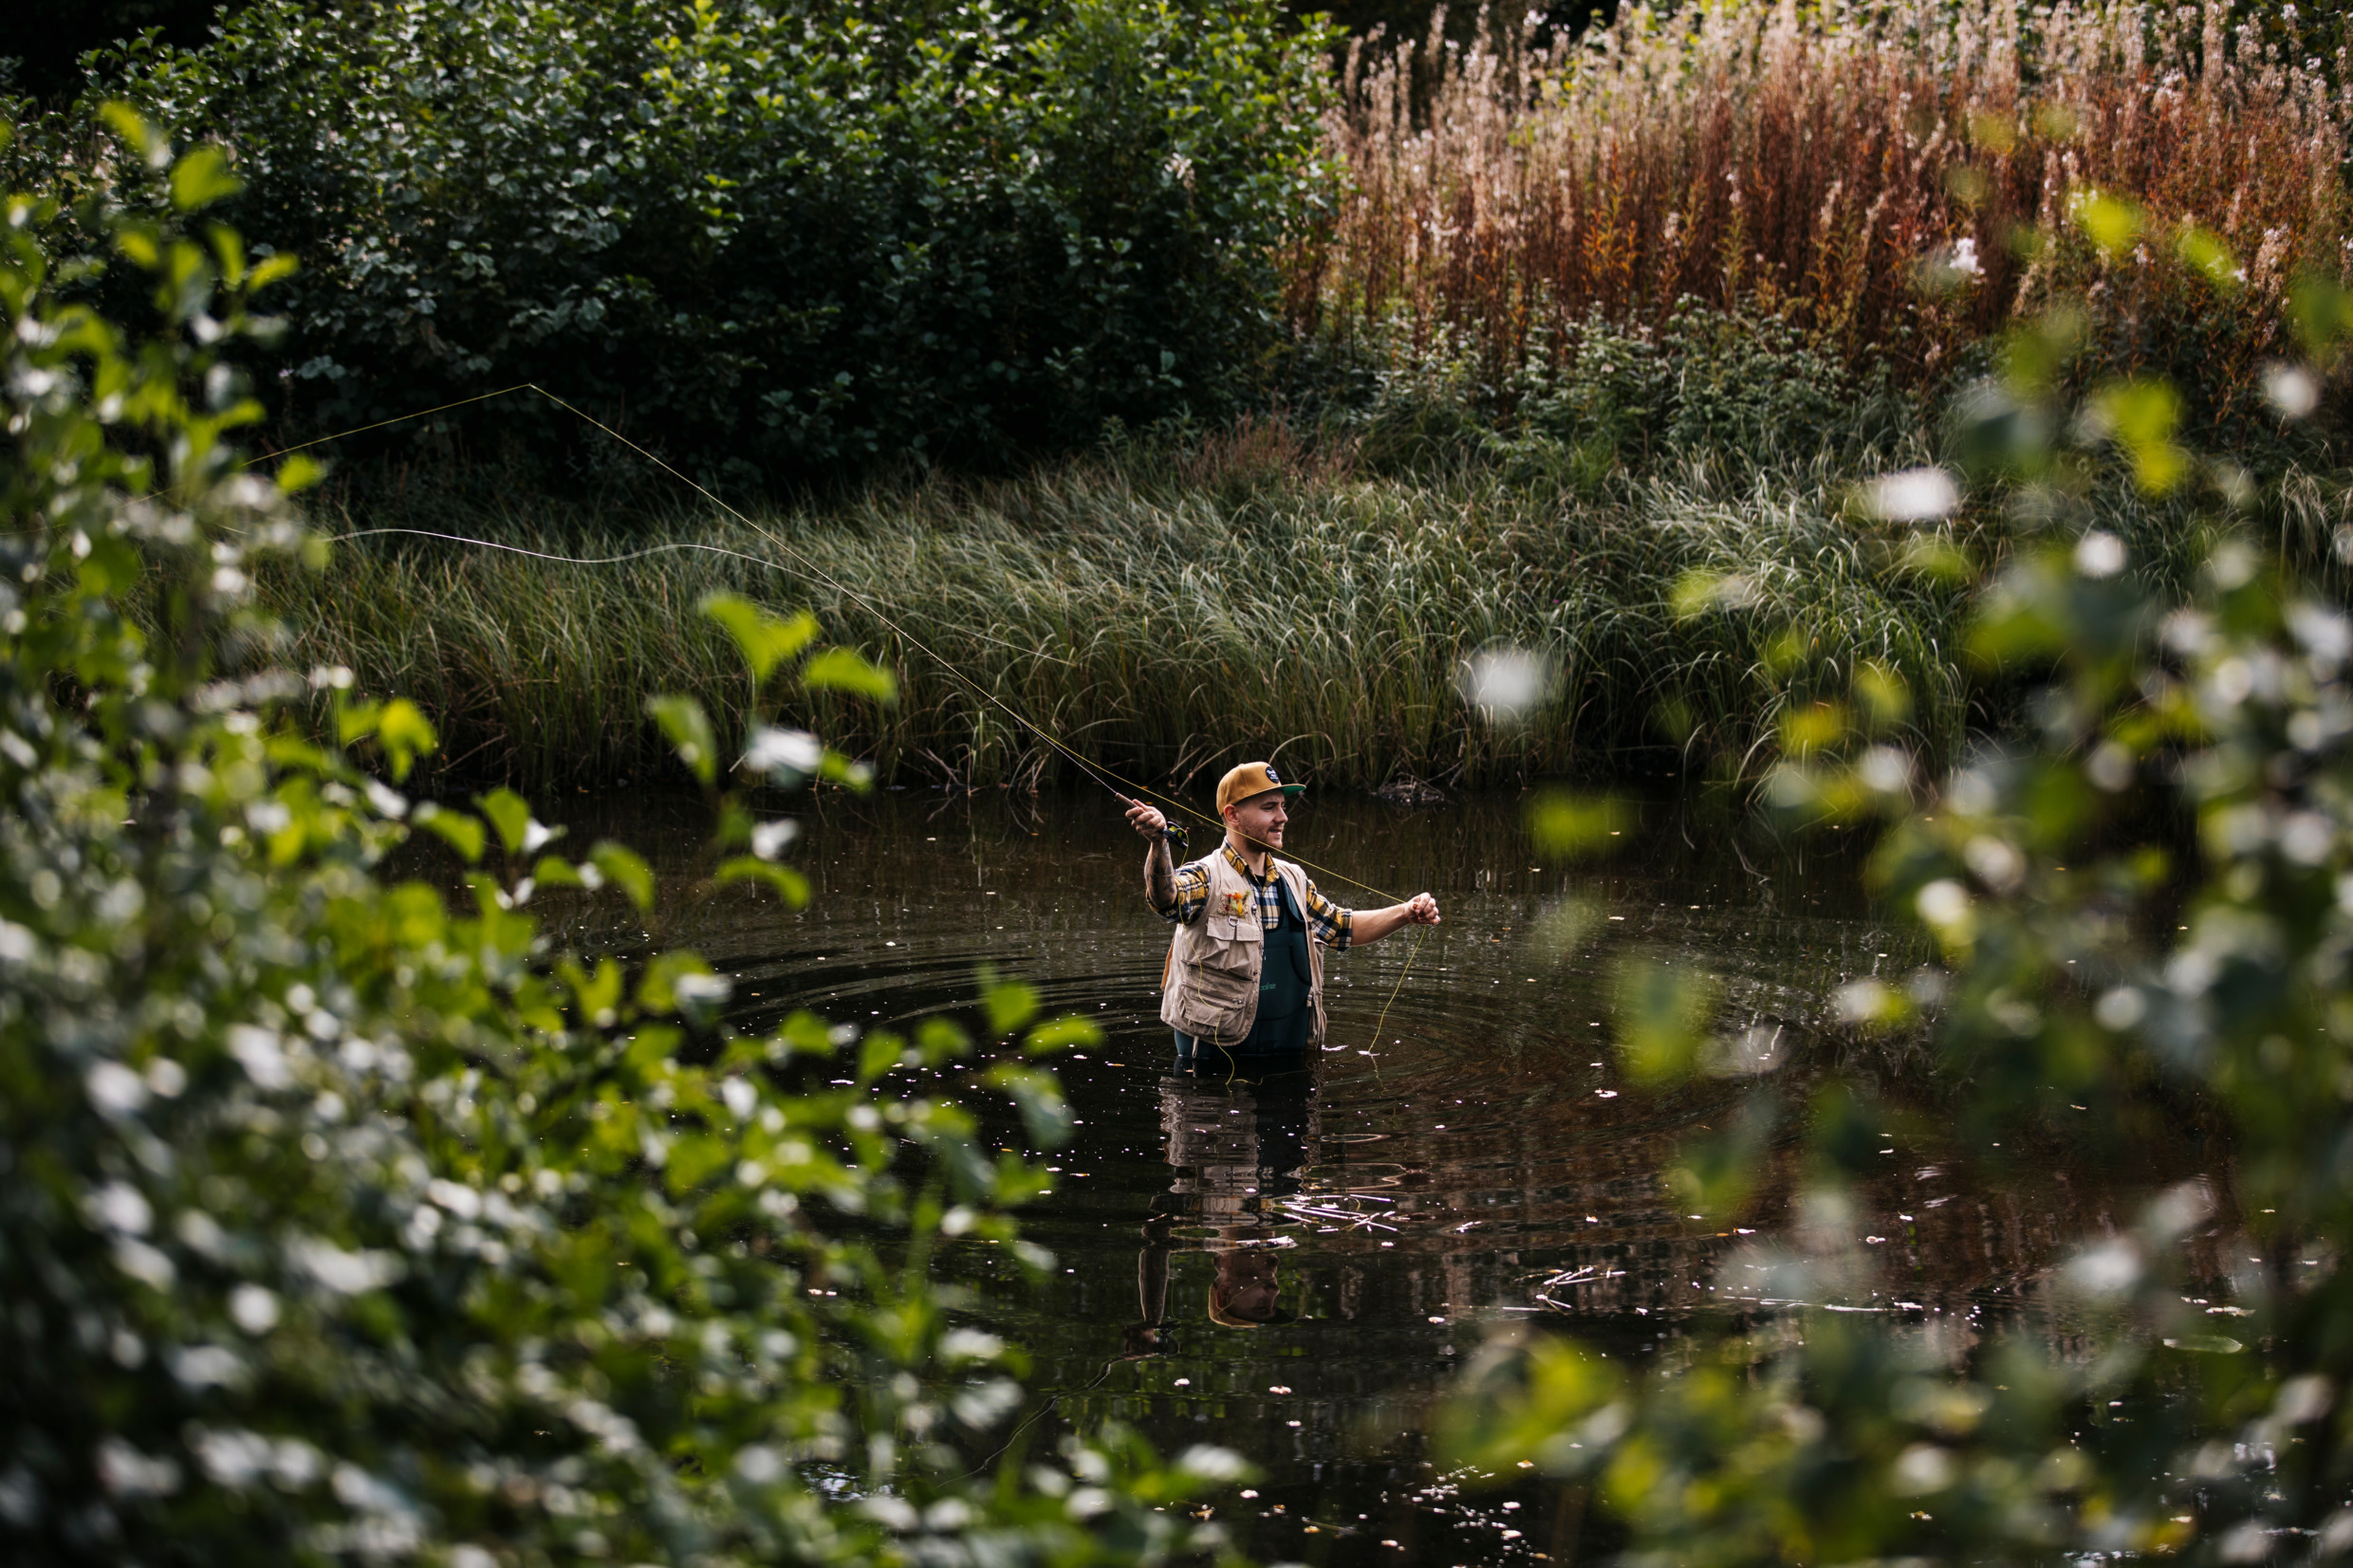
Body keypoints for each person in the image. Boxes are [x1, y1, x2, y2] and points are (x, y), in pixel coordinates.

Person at [1125, 761, 1440, 1067]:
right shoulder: (1207, 877)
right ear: (1232, 815)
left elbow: (1342, 928)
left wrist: (1405, 913)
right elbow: (1167, 900)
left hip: (1291, 1065)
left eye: (1282, 806)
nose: (1282, 817)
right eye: (1269, 807)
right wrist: (1159, 845)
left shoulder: (1294, 880)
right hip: (1212, 1073)